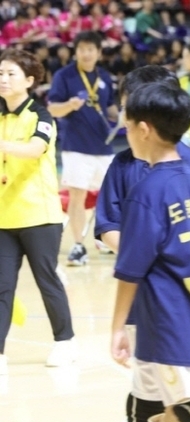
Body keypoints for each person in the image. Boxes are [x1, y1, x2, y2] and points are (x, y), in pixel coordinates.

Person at [96, 65, 190, 422]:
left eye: (131, 114)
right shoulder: (125, 165)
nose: (126, 123)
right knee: (149, 409)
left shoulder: (176, 171)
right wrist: (137, 245)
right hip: (156, 305)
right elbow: (107, 226)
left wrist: (147, 250)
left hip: (167, 306)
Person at [0, 49, 76, 375]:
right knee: (2, 286)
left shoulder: (41, 116)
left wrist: (3, 146)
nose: (3, 79)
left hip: (39, 216)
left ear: (29, 81)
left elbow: (35, 149)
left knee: (47, 280)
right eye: (0, 73)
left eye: (11, 74)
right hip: (4, 217)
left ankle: (65, 341)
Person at [47, 31, 118, 266]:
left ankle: (105, 238)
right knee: (77, 197)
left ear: (99, 52)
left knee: (111, 197)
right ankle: (78, 246)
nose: (86, 54)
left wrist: (124, 116)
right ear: (75, 51)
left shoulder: (104, 76)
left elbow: (109, 107)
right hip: (76, 146)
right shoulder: (64, 76)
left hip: (104, 146)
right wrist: (69, 105)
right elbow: (53, 109)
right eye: (81, 49)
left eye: (90, 49)